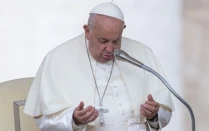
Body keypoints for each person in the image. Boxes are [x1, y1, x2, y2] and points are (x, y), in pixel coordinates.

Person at [24, 2, 174, 131]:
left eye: (116, 41)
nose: (110, 49)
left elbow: (164, 113)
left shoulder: (142, 53)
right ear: (87, 31)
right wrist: (74, 119)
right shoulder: (57, 58)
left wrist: (154, 115)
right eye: (103, 41)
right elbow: (43, 120)